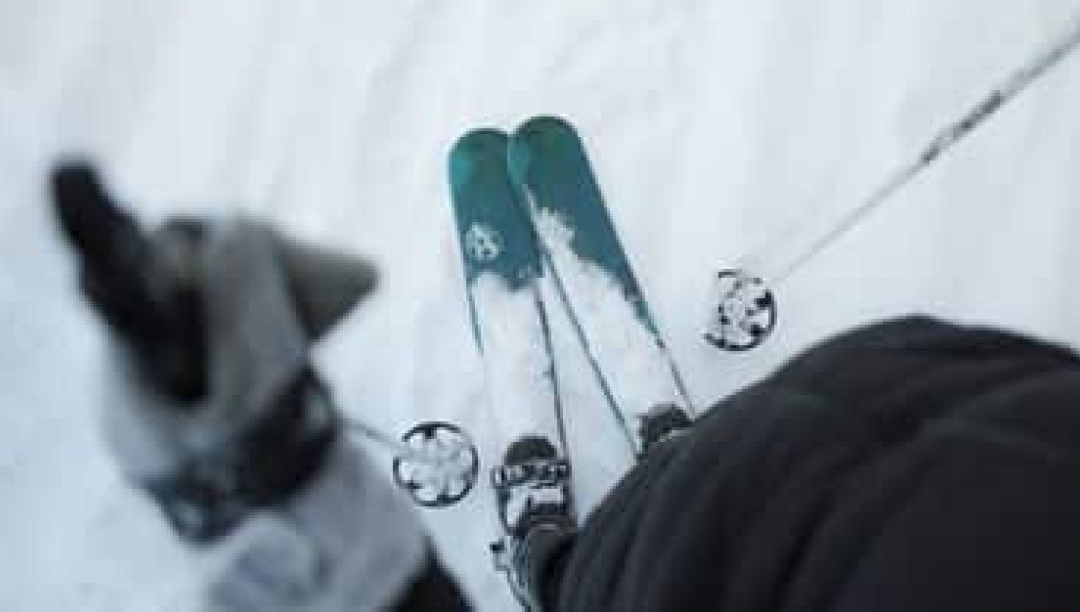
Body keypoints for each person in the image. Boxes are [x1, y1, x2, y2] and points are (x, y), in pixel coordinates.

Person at [55, 163, 1080, 611]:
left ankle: (543, 560)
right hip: (907, 409)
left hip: (670, 573)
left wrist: (319, 524)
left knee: (575, 573)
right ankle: (622, 500)